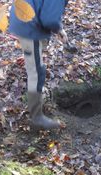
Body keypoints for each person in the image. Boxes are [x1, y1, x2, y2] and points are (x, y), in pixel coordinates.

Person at [9, 0, 69, 130]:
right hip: (29, 26)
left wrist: (59, 30)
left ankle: (29, 54)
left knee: (37, 52)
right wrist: (57, 27)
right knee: (37, 72)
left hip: (22, 15)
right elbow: (49, 20)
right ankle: (36, 117)